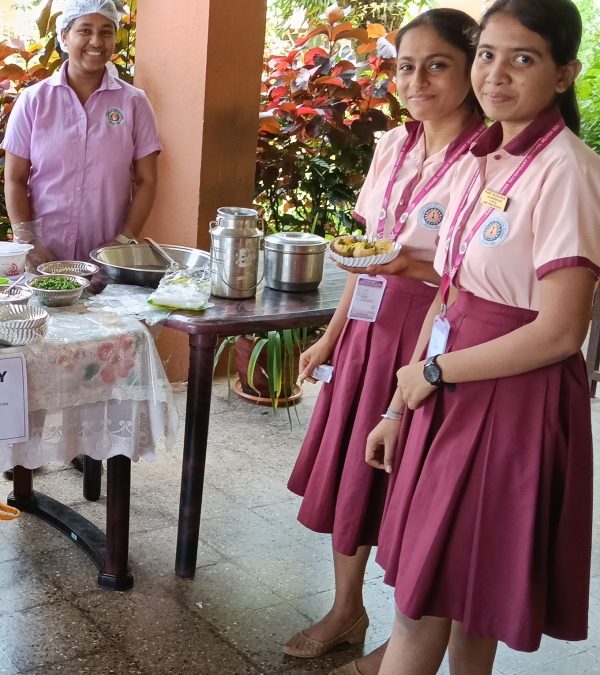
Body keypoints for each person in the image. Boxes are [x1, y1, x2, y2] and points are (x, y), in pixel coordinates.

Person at [365, 1, 598, 672]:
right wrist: (398, 404)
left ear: (563, 74)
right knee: (450, 596)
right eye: (488, 54)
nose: (496, 73)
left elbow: (560, 332)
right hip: (454, 386)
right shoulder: (481, 158)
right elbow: (449, 293)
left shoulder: (569, 172)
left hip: (512, 405)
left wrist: (433, 376)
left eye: (522, 58)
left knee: (448, 607)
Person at [283, 9, 485, 674]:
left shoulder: (485, 161)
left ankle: (406, 640)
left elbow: (474, 277)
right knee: (350, 466)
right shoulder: (391, 147)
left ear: (468, 69)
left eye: (437, 64)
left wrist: (408, 268)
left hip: (434, 333)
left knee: (416, 490)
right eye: (405, 65)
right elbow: (366, 256)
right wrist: (330, 337)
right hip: (371, 326)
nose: (417, 79)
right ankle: (346, 608)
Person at [3, 0, 160, 267]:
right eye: (85, 30)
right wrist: (30, 242)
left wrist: (123, 243)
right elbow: (15, 179)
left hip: (107, 261)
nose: (96, 41)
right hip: (44, 258)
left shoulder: (134, 103)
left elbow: (147, 180)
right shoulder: (33, 101)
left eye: (106, 31)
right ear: (64, 36)